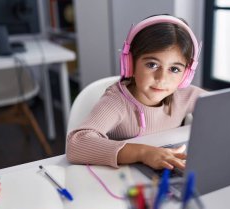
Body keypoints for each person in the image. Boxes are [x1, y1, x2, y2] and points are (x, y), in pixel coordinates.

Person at [66, 14, 208, 170]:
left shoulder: (186, 95)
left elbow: (227, 110)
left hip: (166, 175)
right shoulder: (116, 101)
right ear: (130, 64)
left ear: (186, 74)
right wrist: (143, 152)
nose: (161, 78)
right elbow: (76, 144)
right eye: (152, 65)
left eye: (174, 69)